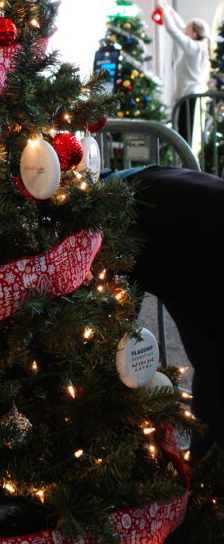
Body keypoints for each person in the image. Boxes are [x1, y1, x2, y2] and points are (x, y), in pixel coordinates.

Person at [111, 164, 223, 457]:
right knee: (109, 362)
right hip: (123, 211)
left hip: (179, 223)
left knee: (213, 370)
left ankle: (203, 482)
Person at [157, 4, 211, 141]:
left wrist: (165, 12)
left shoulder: (193, 47)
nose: (184, 29)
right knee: (186, 130)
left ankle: (185, 162)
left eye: (188, 28)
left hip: (188, 95)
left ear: (194, 34)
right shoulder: (199, 45)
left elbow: (173, 30)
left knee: (185, 132)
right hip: (189, 94)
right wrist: (172, 12)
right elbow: (181, 28)